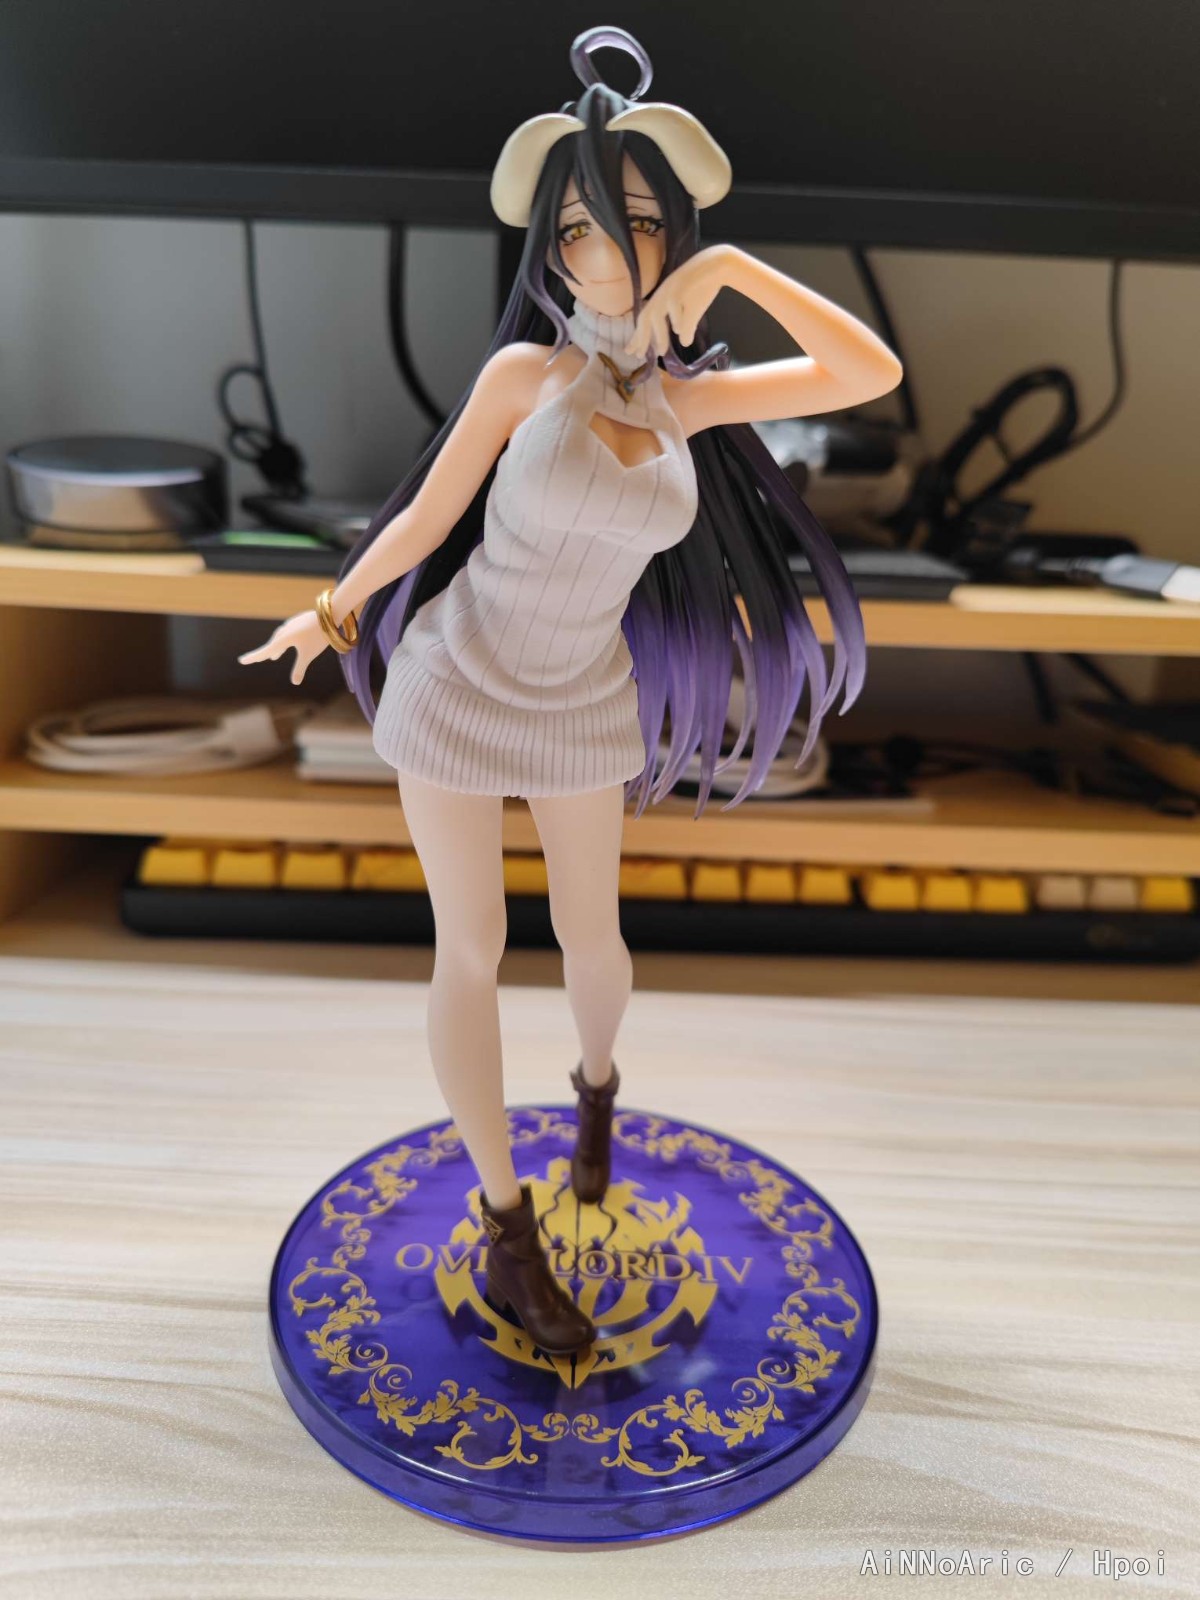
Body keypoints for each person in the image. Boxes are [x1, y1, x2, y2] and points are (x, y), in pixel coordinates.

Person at [239, 25, 901, 1357]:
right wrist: (333, 608)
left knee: (593, 938)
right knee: (470, 947)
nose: (612, 250)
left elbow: (867, 373)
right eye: (587, 226)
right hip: (456, 682)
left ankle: (596, 1091)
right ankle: (507, 1224)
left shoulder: (685, 406)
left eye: (645, 224)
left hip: (586, 698)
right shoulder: (523, 378)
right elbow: (428, 518)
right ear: (550, 250)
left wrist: (728, 267)